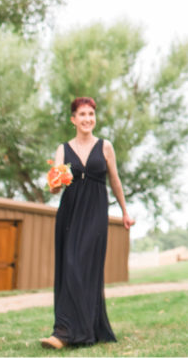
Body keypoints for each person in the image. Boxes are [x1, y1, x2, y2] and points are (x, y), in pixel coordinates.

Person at [42, 97, 134, 349]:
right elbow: (54, 189)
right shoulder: (63, 149)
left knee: (82, 266)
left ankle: (73, 331)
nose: (87, 119)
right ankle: (64, 331)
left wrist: (125, 212)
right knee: (68, 267)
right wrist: (57, 181)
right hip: (70, 213)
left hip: (95, 212)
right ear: (73, 119)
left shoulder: (105, 147)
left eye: (91, 114)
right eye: (82, 114)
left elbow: (115, 181)